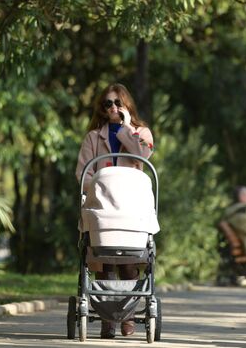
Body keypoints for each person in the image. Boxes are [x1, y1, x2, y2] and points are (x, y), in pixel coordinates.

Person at [75, 83, 154, 339]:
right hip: (102, 207)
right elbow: (83, 174)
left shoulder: (141, 133)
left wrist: (128, 127)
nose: (113, 108)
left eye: (118, 103)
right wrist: (102, 185)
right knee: (104, 263)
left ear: (127, 105)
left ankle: (128, 316)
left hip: (130, 210)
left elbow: (143, 154)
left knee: (129, 264)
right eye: (108, 103)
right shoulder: (93, 137)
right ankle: (108, 320)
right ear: (102, 107)